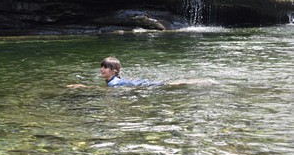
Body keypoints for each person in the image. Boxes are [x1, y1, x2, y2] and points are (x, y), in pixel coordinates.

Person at [67, 56, 215, 88]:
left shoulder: (113, 84)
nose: (101, 69)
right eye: (102, 66)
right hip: (137, 83)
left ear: (114, 71)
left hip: (141, 85)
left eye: (105, 67)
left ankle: (198, 81)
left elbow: (105, 91)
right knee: (166, 84)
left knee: (168, 84)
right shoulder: (113, 80)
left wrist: (82, 86)